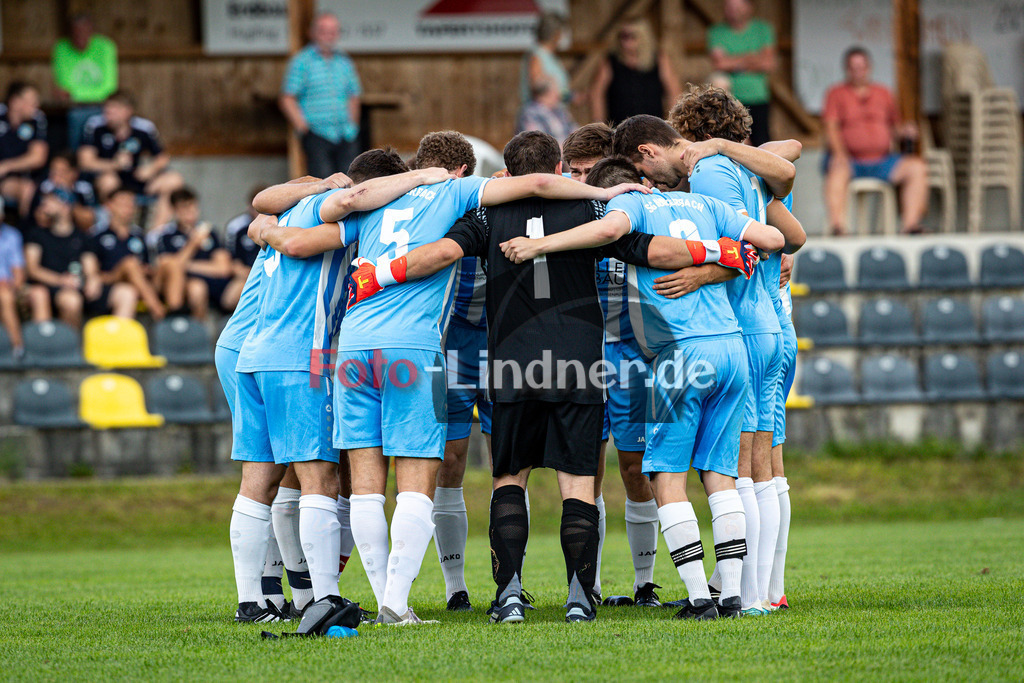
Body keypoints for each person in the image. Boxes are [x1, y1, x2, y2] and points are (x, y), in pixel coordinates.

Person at [344, 131, 757, 624]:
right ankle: (580, 598)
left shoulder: (484, 215)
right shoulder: (593, 214)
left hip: (512, 363)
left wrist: (377, 274)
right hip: (578, 362)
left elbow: (443, 252)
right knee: (579, 483)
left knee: (508, 478)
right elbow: (651, 250)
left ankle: (510, 595)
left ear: (508, 172)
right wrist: (724, 256)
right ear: (560, 166)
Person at [497, 155, 785, 619]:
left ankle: (697, 598)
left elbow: (610, 232)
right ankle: (730, 596)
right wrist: (717, 257)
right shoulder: (707, 203)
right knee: (720, 474)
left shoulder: (635, 208)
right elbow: (773, 239)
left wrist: (541, 245)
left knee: (666, 477)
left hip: (680, 356)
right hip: (732, 349)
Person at [232, 155, 454, 630]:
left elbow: (263, 205)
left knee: (262, 481)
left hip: (252, 349)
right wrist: (421, 177)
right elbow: (306, 233)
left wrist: (263, 228)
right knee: (321, 480)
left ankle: (255, 599)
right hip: (302, 353)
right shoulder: (347, 211)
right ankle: (322, 597)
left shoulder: (297, 201)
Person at [663, 92, 807, 614]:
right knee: (768, 463)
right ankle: (770, 590)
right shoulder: (756, 172)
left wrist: (705, 270)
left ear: (687, 132)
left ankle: (744, 594)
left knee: (740, 466)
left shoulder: (709, 175)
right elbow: (793, 236)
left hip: (741, 325)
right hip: (775, 323)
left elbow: (761, 243)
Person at [561, 121, 660, 607]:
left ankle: (644, 583)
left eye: (586, 171)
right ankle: (590, 584)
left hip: (630, 351)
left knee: (635, 467)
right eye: (572, 172)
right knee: (586, 468)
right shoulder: (562, 214)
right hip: (579, 356)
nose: (579, 181)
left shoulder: (635, 208)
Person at [822, 47, 928, 235]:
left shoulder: (884, 92)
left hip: (883, 161)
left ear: (869, 68)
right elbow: (831, 127)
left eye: (861, 67)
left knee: (917, 167)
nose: (858, 72)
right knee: (836, 167)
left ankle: (910, 225)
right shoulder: (836, 93)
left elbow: (896, 128)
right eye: (853, 68)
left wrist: (907, 131)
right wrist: (839, 153)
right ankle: (838, 227)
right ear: (846, 69)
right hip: (850, 161)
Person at [79, 91, 184, 231]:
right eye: (107, 108)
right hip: (112, 179)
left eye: (114, 109)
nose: (108, 113)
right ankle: (112, 231)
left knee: (174, 179)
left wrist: (151, 169)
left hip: (136, 178)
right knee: (108, 181)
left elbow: (162, 157)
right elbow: (85, 162)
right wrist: (115, 165)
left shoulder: (144, 127)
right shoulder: (96, 126)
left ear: (127, 111)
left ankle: (156, 233)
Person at [280, 13, 362, 179]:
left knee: (351, 183)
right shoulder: (301, 61)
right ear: (312, 33)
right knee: (322, 184)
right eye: (323, 30)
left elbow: (353, 95)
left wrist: (352, 125)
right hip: (317, 133)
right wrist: (304, 129)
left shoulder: (344, 62)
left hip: (345, 133)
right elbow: (287, 98)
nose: (329, 35)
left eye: (333, 31)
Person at [81, 186, 166, 320]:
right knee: (129, 264)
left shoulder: (140, 236)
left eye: (131, 204)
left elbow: (150, 267)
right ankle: (159, 311)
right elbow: (93, 273)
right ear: (109, 206)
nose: (128, 208)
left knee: (140, 270)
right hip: (109, 281)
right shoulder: (96, 235)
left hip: (136, 284)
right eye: (123, 204)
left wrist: (144, 271)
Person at [154, 188, 235, 320]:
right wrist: (192, 244)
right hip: (173, 284)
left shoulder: (210, 232)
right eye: (184, 208)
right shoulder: (166, 235)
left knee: (197, 288)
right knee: (175, 269)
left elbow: (223, 269)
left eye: (192, 206)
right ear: (175, 211)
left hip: (207, 284)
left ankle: (197, 332)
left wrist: (186, 265)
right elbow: (167, 267)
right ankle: (175, 318)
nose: (190, 212)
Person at [707, 0, 777, 146]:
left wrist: (734, 63)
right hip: (731, 101)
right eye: (730, 6)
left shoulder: (762, 29)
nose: (734, 11)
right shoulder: (716, 32)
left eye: (738, 7)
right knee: (737, 145)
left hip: (757, 96)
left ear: (750, 7)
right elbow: (720, 63)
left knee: (762, 144)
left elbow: (768, 63)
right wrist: (752, 57)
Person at [589, 18, 680, 125]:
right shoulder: (610, 62)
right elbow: (596, 94)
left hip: (652, 128)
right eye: (622, 36)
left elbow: (674, 92)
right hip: (619, 129)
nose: (625, 41)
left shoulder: (659, 60)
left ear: (643, 36)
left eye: (631, 36)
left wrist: (671, 124)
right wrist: (599, 126)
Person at [24, 187, 90, 329]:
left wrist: (90, 279)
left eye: (51, 200)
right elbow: (32, 269)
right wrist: (61, 280)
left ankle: (68, 348)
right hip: (41, 285)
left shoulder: (81, 237)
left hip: (69, 288)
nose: (45, 204)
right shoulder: (36, 234)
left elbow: (90, 267)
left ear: (65, 206)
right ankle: (44, 345)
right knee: (40, 294)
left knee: (72, 300)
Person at [52, 13, 118, 150]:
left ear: (91, 31)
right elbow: (63, 87)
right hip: (74, 107)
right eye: (76, 33)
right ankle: (76, 161)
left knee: (105, 116)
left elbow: (109, 88)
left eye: (84, 32)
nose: (80, 37)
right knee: (73, 118)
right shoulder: (61, 48)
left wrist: (77, 93)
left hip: (103, 105)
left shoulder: (105, 47)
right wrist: (87, 95)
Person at [0, 82, 49, 220]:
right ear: (15, 102)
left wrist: (6, 166)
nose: (36, 105)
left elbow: (38, 157)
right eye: (32, 101)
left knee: (28, 189)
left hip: (18, 179)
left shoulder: (37, 118)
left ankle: (25, 235)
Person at [222, 186, 266, 312]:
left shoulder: (282, 223)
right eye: (257, 209)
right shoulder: (237, 227)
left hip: (271, 273)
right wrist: (250, 274)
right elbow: (232, 262)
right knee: (232, 296)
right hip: (247, 276)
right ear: (250, 207)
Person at [30, 152, 97, 232]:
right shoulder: (46, 187)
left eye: (62, 171)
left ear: (74, 173)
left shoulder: (83, 188)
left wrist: (67, 203)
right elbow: (41, 220)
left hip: (79, 234)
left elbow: (89, 221)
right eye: (53, 170)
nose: (56, 175)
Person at [520, 12, 572, 107]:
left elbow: (558, 90)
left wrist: (572, 96)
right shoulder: (536, 56)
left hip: (553, 114)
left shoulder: (550, 56)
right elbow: (539, 91)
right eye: (562, 32)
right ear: (556, 34)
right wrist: (567, 97)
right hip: (541, 117)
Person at [515, 77, 577, 146]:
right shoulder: (530, 114)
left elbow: (575, 132)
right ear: (547, 93)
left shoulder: (560, 111)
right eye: (555, 91)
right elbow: (538, 144)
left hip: (569, 152)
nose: (558, 94)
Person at [0, 205, 25, 357]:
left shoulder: (12, 235)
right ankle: (16, 346)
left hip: (8, 286)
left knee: (5, 296)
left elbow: (18, 273)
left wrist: (13, 286)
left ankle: (18, 348)